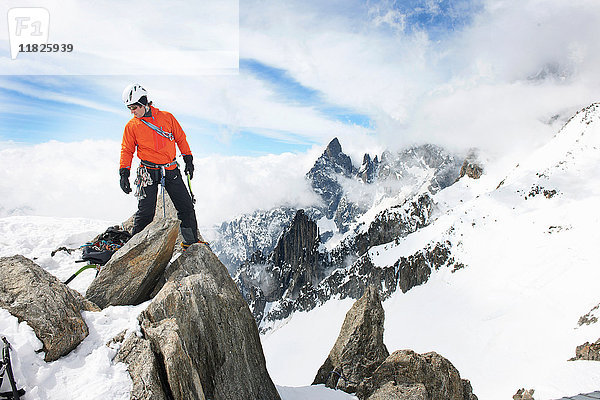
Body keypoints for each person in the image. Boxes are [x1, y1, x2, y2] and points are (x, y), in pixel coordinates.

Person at [118, 83, 200, 248]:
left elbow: (180, 138)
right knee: (145, 213)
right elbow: (127, 150)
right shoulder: (131, 126)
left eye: (133, 107)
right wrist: (124, 172)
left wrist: (188, 159)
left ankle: (191, 243)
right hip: (147, 171)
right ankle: (134, 248)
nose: (131, 111)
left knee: (185, 206)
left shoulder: (167, 117)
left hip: (170, 169)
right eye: (129, 108)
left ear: (143, 103)